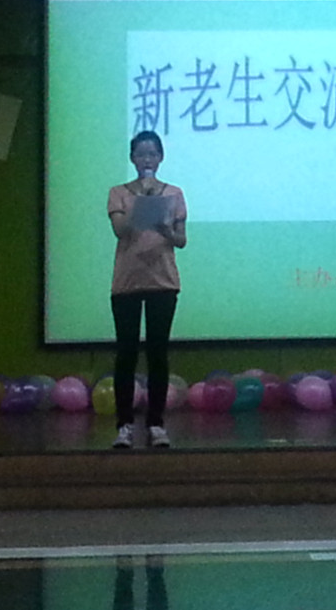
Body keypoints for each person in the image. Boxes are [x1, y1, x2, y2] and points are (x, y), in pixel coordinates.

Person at [107, 130, 187, 448]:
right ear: (132, 159)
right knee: (126, 353)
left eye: (152, 153)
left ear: (161, 157)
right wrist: (143, 204)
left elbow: (181, 240)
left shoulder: (174, 194)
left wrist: (165, 228)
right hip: (126, 282)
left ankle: (156, 424)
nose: (147, 159)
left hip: (163, 282)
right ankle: (124, 425)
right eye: (141, 154)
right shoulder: (119, 193)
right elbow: (119, 230)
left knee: (157, 353)